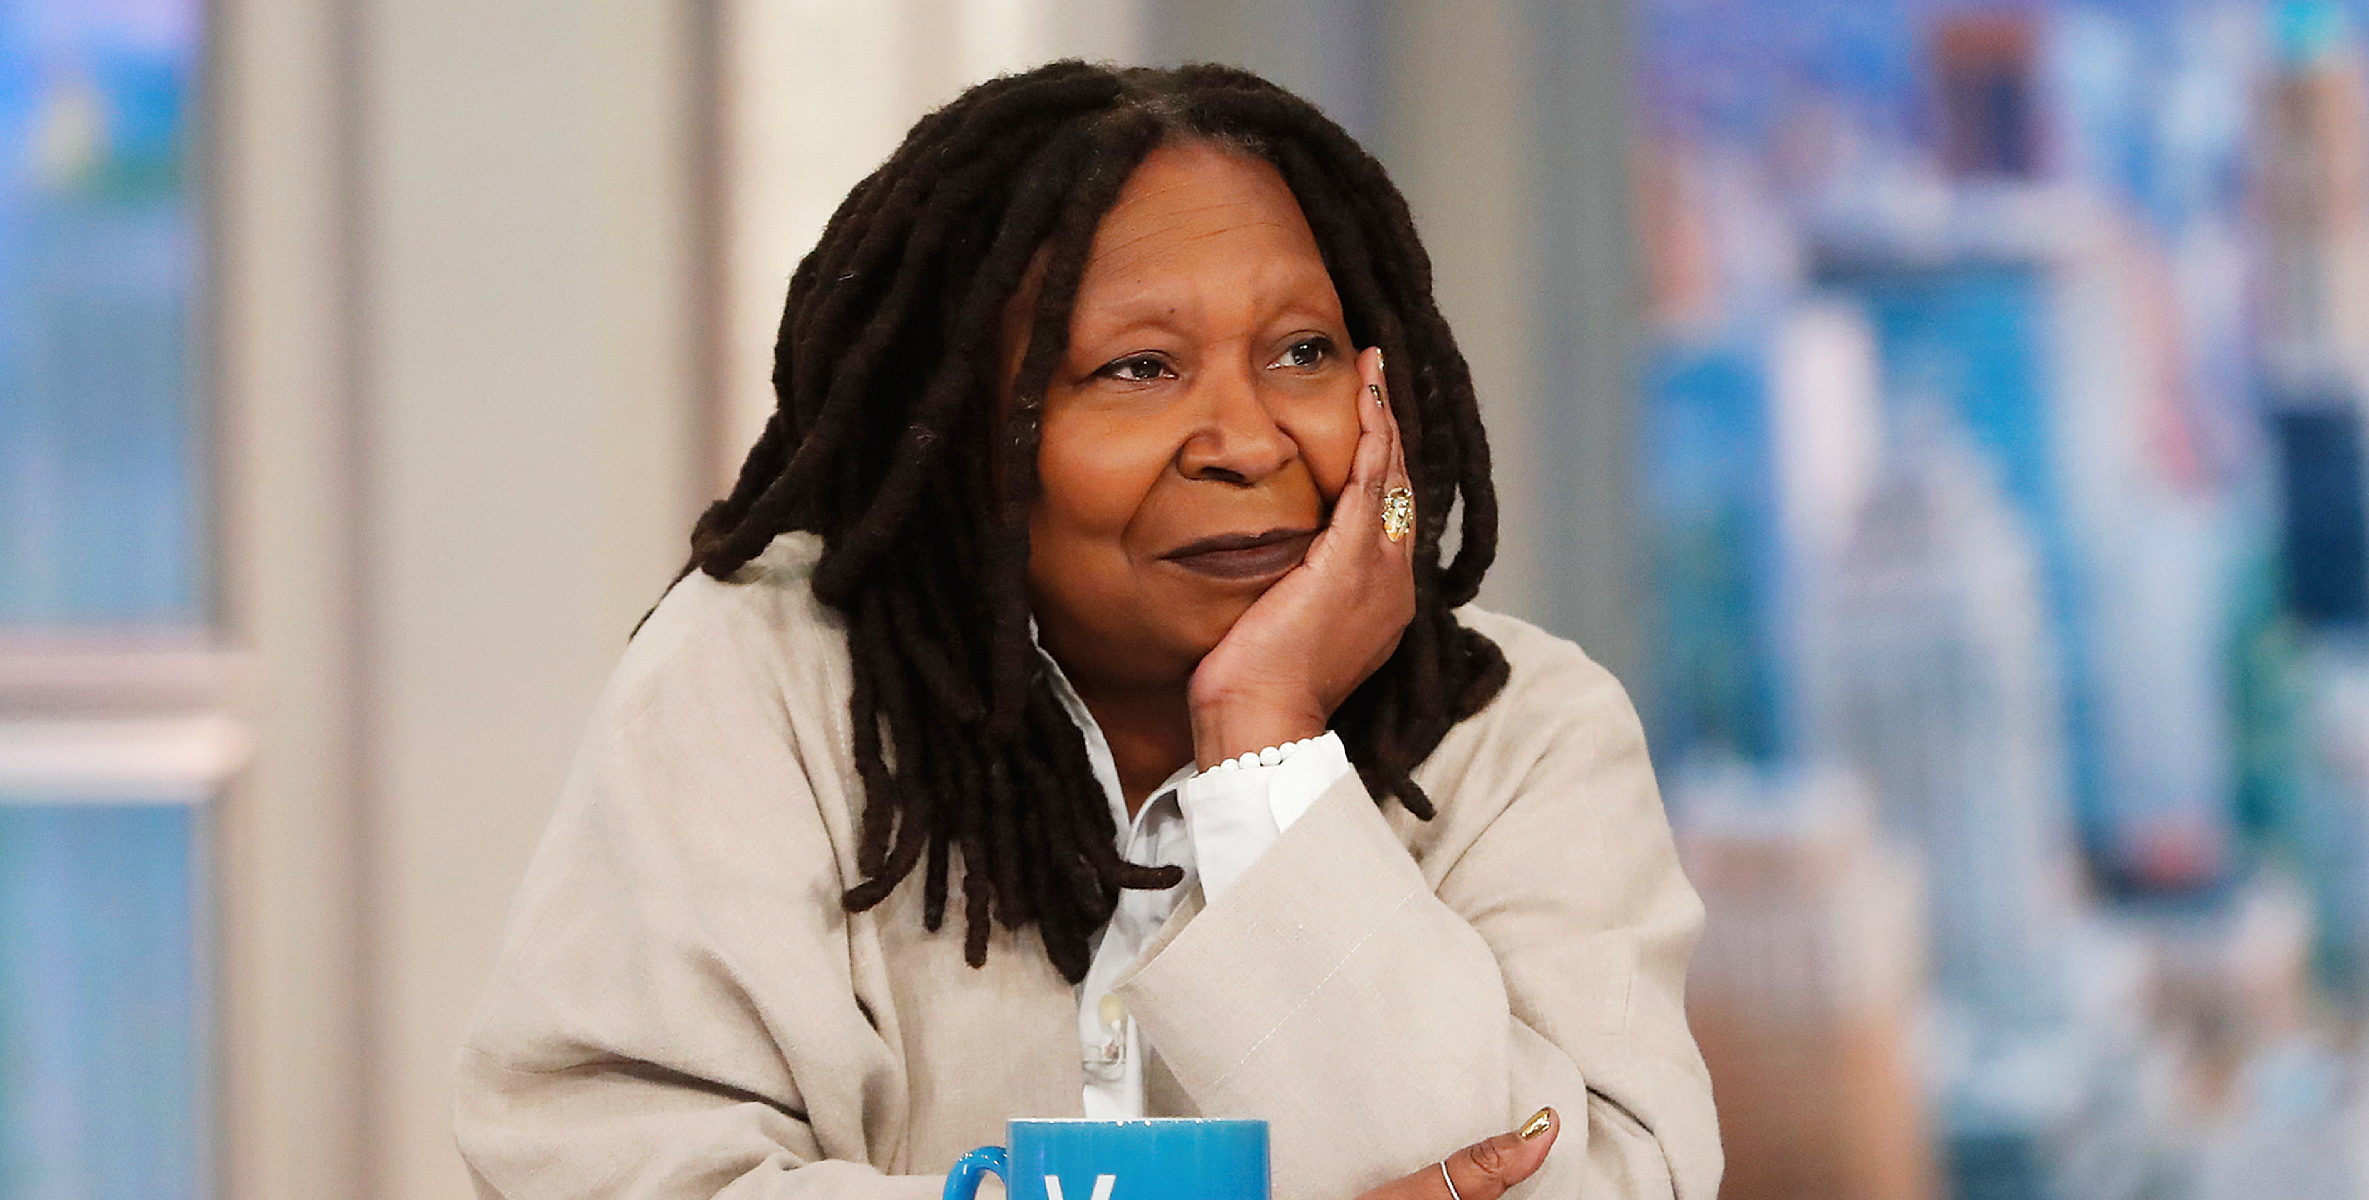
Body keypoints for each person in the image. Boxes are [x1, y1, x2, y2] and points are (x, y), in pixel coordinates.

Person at [454, 61, 1720, 1200]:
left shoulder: (1530, 735)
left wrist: (1268, 758)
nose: (1247, 440)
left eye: (1303, 352)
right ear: (962, 440)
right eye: (1140, 368)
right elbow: (606, 1167)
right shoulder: (761, 678)